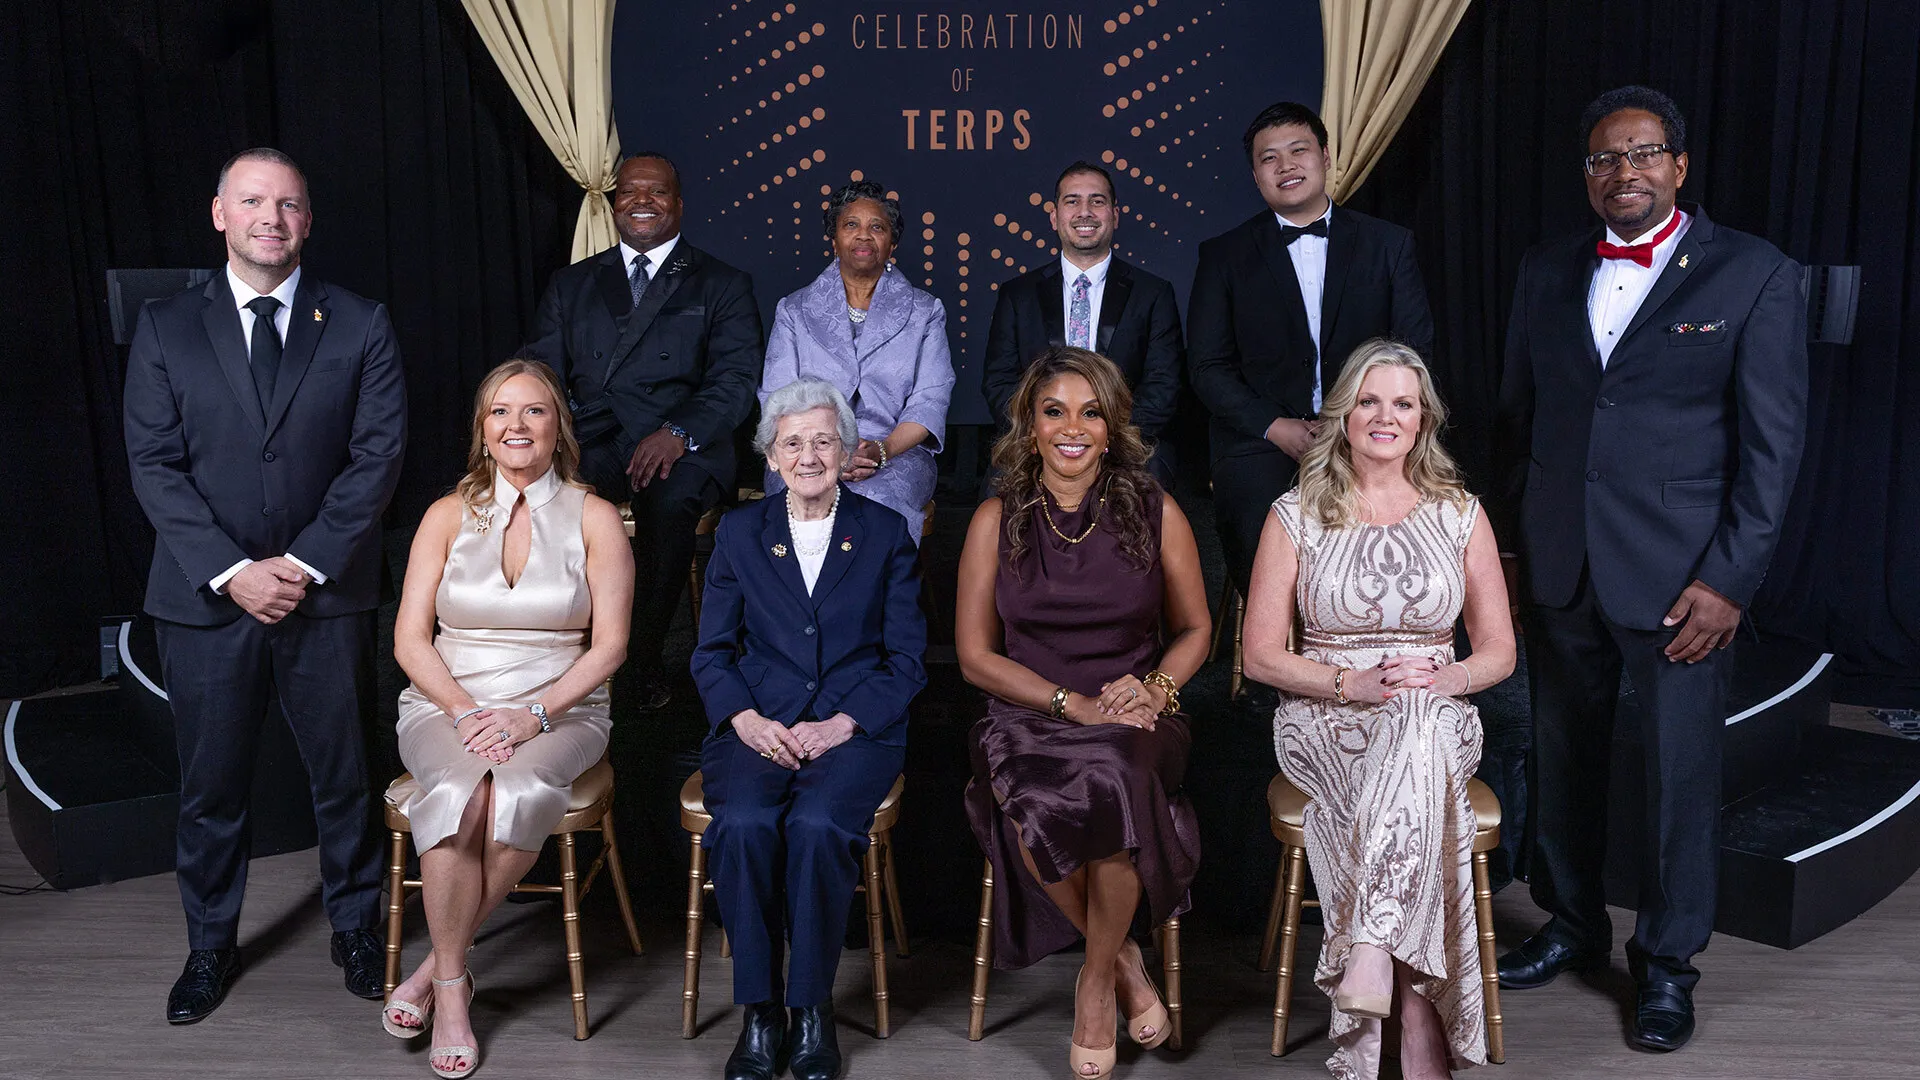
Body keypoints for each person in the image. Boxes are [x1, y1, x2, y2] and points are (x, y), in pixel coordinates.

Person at [1491, 86, 1807, 1053]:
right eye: (1602, 159)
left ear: (1678, 166)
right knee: (1565, 760)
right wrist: (1507, 547)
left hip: (1683, 583)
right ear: (1586, 176)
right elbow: (1519, 422)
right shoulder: (1545, 270)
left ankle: (1667, 964)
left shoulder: (1753, 273)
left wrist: (1731, 581)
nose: (1621, 173)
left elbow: (1773, 448)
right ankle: (1576, 925)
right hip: (1561, 565)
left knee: (1679, 779)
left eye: (1641, 155)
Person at [123, 148, 406, 1024]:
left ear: (307, 221)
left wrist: (303, 564)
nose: (270, 219)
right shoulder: (166, 326)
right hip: (206, 602)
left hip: (327, 595)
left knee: (346, 777)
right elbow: (155, 465)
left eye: (287, 205)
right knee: (212, 785)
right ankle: (209, 947)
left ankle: (357, 929)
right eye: (253, 202)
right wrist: (237, 572)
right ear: (220, 214)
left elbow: (377, 457)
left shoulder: (360, 323)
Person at [1243, 340, 1514, 1080]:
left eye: (1402, 402)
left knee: (1419, 727)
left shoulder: (1460, 513)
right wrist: (1350, 686)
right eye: (1369, 400)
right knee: (1406, 763)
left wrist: (1445, 681)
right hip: (1322, 709)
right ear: (1345, 414)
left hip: (1436, 707)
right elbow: (1260, 655)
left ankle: (1372, 952)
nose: (1384, 416)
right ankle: (1421, 1024)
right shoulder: (1295, 513)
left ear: (1423, 419)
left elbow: (1497, 652)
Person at [957, 348, 1210, 1080]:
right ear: (1029, 425)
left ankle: (1093, 986)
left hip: (1136, 712)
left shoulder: (1155, 510)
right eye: (1054, 411)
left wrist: (1157, 688)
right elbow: (975, 657)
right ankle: (1125, 964)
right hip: (1027, 712)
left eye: (1091, 412)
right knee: (1029, 797)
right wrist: (1071, 704)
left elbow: (1196, 628)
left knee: (1118, 776)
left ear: (1112, 426)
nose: (1073, 428)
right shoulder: (993, 519)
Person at [382, 359, 633, 1078]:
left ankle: (434, 970)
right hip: (444, 701)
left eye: (533, 412)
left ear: (559, 427)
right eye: (500, 412)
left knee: (512, 790)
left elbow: (611, 646)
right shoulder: (444, 514)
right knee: (462, 793)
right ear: (481, 431)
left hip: (565, 706)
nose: (516, 426)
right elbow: (409, 640)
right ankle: (457, 994)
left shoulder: (595, 517)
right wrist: (462, 712)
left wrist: (533, 716)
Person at [691, 378, 927, 1080]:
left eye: (824, 439)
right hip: (756, 723)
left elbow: (907, 659)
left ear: (849, 449)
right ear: (770, 457)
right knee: (744, 826)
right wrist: (746, 719)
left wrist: (843, 724)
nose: (810, 454)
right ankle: (761, 1014)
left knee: (821, 826)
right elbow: (712, 653)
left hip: (855, 728)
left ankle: (813, 1008)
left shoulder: (886, 534)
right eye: (792, 442)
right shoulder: (738, 532)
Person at [1187, 101, 1433, 706]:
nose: (1285, 166)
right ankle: (1285, 676)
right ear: (1255, 176)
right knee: (1257, 513)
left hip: (1370, 432)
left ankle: (1392, 664)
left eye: (1298, 151)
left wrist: (1360, 425)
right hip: (1261, 439)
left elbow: (1412, 352)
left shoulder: (1388, 244)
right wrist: (1277, 428)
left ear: (1326, 158)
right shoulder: (1223, 254)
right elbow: (1208, 368)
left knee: (1406, 511)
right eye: (1267, 159)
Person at [525, 151, 763, 711]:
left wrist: (678, 432)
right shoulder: (572, 283)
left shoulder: (722, 282)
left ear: (679, 205)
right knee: (556, 499)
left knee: (670, 506)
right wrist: (554, 436)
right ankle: (558, 654)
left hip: (682, 441)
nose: (642, 201)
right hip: (596, 434)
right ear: (613, 204)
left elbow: (736, 379)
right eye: (630, 191)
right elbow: (542, 370)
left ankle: (640, 659)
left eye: (656, 192)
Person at [759, 180, 954, 539]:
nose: (863, 236)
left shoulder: (925, 312)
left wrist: (883, 449)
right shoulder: (794, 310)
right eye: (851, 225)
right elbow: (777, 398)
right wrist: (821, 450)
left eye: (877, 227)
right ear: (833, 240)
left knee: (878, 509)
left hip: (895, 454)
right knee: (807, 501)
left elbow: (930, 401)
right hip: (802, 449)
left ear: (892, 243)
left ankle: (877, 596)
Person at [982, 161, 1185, 490]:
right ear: (1054, 216)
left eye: (1097, 201)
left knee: (1152, 483)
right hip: (1038, 440)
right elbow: (999, 382)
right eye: (1072, 201)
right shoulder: (1017, 295)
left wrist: (1108, 437)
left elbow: (1163, 386)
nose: (1085, 212)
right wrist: (1043, 433)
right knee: (997, 488)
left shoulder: (1153, 293)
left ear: (1114, 215)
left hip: (1128, 440)